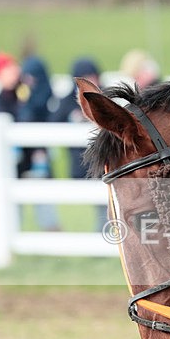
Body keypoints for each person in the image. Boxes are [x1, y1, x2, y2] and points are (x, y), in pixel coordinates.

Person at [0, 51, 61, 231]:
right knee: (11, 213)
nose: (14, 71)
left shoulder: (29, 89)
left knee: (46, 211)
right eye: (7, 69)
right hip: (15, 163)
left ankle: (56, 245)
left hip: (37, 158)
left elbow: (41, 108)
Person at [50, 56, 107, 229]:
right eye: (86, 77)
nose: (92, 80)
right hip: (78, 163)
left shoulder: (106, 97)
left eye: (93, 75)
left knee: (104, 203)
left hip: (102, 160)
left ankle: (102, 235)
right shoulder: (67, 101)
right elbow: (52, 125)